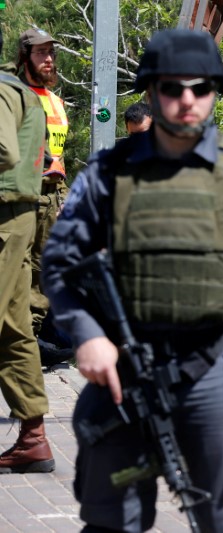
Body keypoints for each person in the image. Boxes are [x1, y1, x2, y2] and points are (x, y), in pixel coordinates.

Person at [41, 29, 223, 531]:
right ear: (151, 91)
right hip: (123, 372)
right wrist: (86, 336)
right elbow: (59, 261)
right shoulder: (110, 173)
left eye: (201, 87)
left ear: (215, 91)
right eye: (172, 88)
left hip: (212, 372)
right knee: (109, 519)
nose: (187, 99)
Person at [0, 26, 55, 474]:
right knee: (14, 328)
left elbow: (3, 150)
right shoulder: (26, 93)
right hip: (20, 217)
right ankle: (33, 438)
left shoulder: (3, 89)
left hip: (2, 218)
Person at [17, 27, 69, 338]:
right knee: (16, 273)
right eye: (40, 53)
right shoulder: (12, 96)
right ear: (25, 57)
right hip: (21, 197)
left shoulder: (56, 101)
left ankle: (30, 339)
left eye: (51, 52)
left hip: (50, 199)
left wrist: (63, 200)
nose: (48, 59)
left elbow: (59, 157)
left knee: (45, 272)